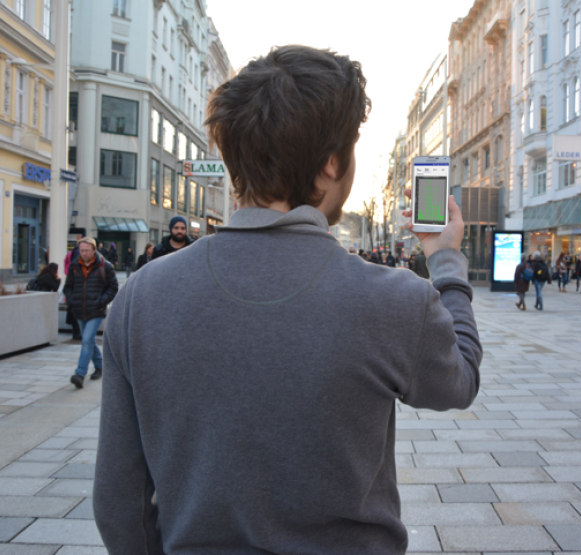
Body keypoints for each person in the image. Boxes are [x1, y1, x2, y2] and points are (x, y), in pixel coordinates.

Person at [93, 45, 482, 554]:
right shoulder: (393, 300)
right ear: (331, 164)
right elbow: (461, 380)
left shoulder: (141, 297)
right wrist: (446, 260)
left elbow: (117, 501)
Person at [64, 237, 119, 388]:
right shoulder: (74, 266)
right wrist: (71, 300)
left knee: (86, 340)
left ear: (94, 250)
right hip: (79, 310)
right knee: (89, 340)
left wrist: (101, 301)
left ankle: (80, 374)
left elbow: (113, 287)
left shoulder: (104, 266)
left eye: (87, 250)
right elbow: (68, 286)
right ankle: (100, 367)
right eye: (82, 250)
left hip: (96, 310)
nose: (84, 253)